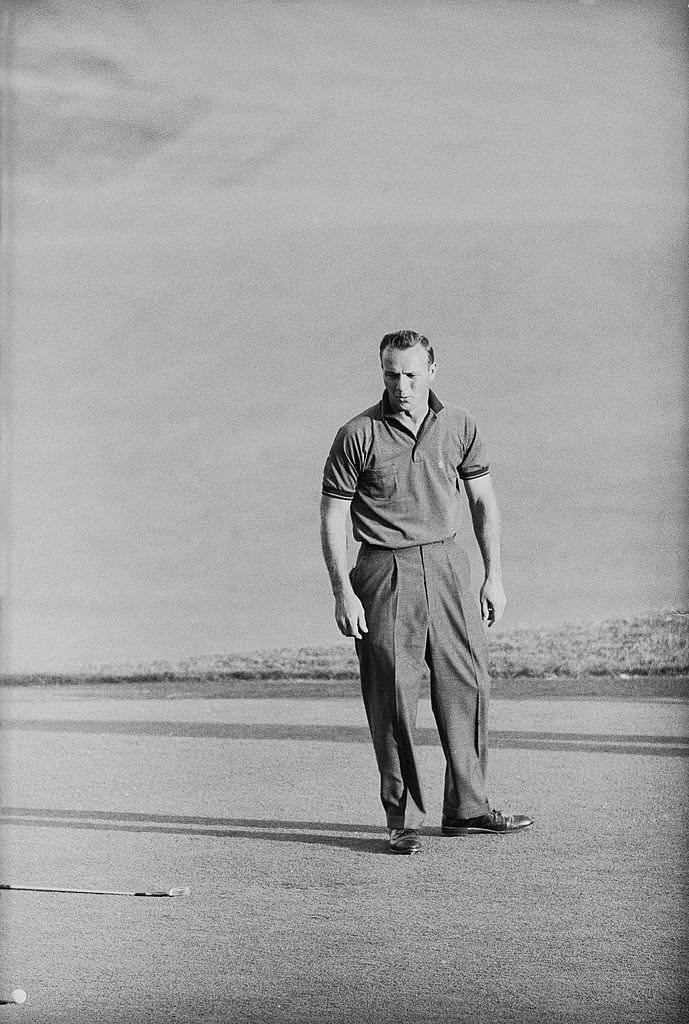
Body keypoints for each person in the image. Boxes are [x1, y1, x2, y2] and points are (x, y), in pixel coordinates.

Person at [320, 330, 533, 855]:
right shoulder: (357, 433)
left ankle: (469, 808)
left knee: (469, 684)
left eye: (412, 374)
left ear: (433, 370)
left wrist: (494, 575)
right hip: (383, 569)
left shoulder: (459, 424)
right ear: (382, 374)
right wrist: (343, 591)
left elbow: (483, 500)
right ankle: (404, 819)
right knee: (392, 694)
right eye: (392, 375)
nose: (403, 385)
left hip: (448, 562)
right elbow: (333, 516)